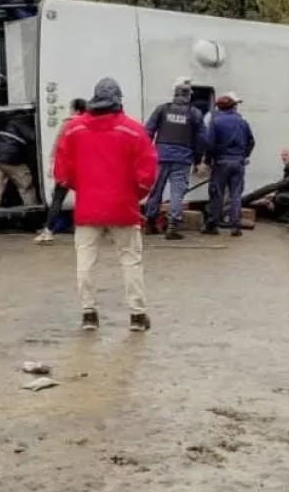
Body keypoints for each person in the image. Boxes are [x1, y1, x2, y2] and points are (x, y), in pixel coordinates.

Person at [52, 77, 158, 332]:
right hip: (124, 207)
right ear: (119, 100)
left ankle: (89, 313)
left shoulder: (73, 130)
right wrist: (134, 195)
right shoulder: (134, 130)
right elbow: (148, 172)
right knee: (130, 260)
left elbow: (62, 173)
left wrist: (85, 188)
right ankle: (137, 316)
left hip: (88, 207)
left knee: (85, 260)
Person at [143, 77, 207, 240]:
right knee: (177, 192)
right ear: (188, 96)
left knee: (156, 189)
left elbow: (148, 131)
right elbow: (201, 139)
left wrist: (145, 152)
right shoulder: (195, 113)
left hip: (161, 154)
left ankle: (150, 222)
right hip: (183, 157)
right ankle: (172, 226)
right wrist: (198, 159)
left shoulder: (162, 109)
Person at [35, 98, 87, 244]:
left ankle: (48, 231)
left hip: (67, 167)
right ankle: (87, 229)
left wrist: (52, 163)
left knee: (58, 198)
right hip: (84, 166)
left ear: (75, 109)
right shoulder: (90, 123)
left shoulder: (68, 123)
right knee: (85, 198)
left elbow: (59, 144)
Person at [202, 94, 255, 236]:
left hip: (221, 162)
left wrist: (208, 161)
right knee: (235, 195)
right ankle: (235, 226)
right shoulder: (242, 122)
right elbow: (251, 141)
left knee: (217, 194)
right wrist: (244, 155)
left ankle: (212, 225)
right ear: (233, 106)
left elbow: (210, 143)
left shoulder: (216, 121)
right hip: (238, 162)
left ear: (219, 107)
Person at [0, 113, 38, 210]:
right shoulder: (21, 121)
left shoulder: (5, 121)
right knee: (26, 185)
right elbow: (34, 136)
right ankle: (32, 210)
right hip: (11, 157)